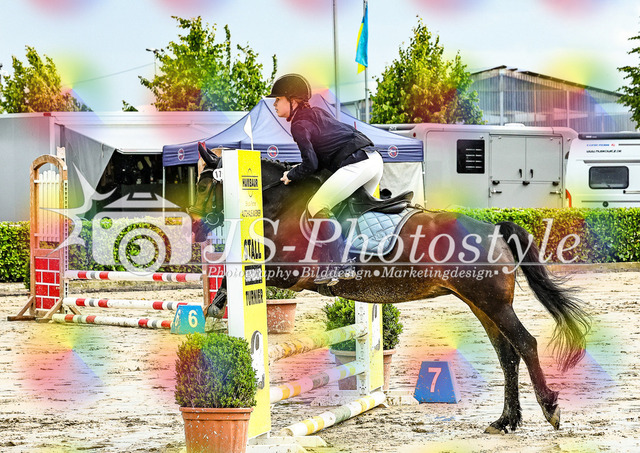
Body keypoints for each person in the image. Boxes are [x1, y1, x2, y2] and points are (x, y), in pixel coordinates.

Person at [267, 73, 384, 286]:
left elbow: (311, 164)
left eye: (278, 99)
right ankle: (357, 258)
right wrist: (295, 171)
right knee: (345, 211)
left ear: (293, 101)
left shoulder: (298, 125)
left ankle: (341, 264)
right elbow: (319, 161)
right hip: (373, 160)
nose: (274, 104)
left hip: (358, 163)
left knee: (317, 206)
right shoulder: (315, 113)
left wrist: (291, 175)